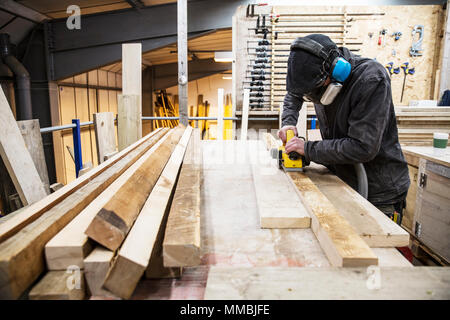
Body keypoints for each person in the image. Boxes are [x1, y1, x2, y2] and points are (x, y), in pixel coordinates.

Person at [278, 34, 410, 221]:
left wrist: (307, 149)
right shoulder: (316, 76)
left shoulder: (371, 79)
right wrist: (288, 121)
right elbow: (294, 93)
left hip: (377, 191)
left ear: (337, 70)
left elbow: (362, 147)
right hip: (342, 177)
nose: (313, 96)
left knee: (372, 247)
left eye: (316, 90)